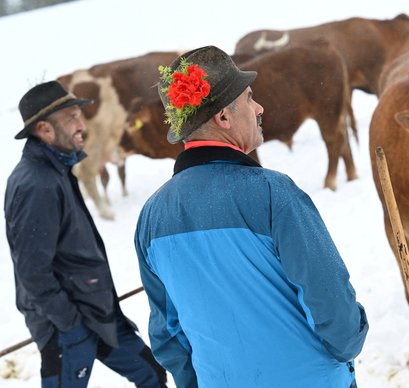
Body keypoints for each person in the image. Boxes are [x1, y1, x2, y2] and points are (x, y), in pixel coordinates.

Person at [134, 45, 369, 388]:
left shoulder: (151, 219)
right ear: (223, 118)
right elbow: (331, 306)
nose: (259, 108)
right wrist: (349, 342)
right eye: (248, 98)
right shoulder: (274, 194)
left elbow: (168, 333)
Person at [4, 81, 168, 388]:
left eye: (79, 115)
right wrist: (69, 322)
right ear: (44, 129)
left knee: (151, 373)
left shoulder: (57, 169)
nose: (82, 126)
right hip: (67, 324)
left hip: (97, 311)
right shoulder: (35, 183)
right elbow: (32, 271)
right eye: (71, 119)